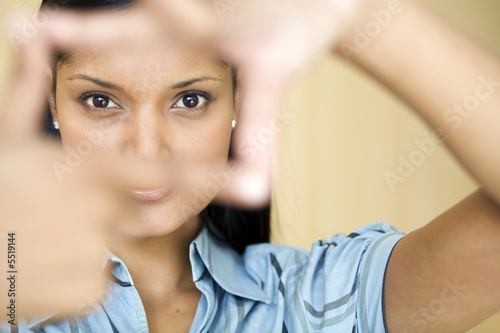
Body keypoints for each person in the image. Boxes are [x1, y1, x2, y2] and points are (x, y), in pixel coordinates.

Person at [1, 0, 500, 332]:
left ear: (243, 97)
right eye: (100, 100)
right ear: (51, 101)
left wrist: (353, 13)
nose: (147, 153)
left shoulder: (316, 304)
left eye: (190, 99)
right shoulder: (10, 285)